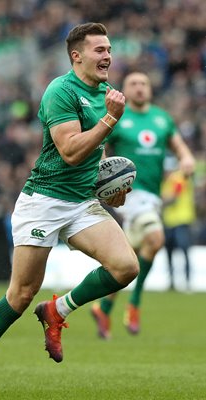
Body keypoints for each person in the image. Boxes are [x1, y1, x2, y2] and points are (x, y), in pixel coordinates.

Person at [0, 23, 140, 395]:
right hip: (43, 201)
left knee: (126, 267)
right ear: (77, 56)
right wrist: (110, 119)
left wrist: (110, 189)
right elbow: (71, 151)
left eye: (109, 49)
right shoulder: (60, 91)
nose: (108, 56)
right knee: (22, 294)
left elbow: (94, 155)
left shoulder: (105, 93)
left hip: (82, 202)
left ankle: (58, 310)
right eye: (99, 50)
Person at [91, 71, 195, 339]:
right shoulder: (117, 116)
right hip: (128, 195)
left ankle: (103, 307)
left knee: (127, 263)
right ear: (124, 90)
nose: (139, 88)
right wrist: (104, 176)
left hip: (153, 196)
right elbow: (100, 144)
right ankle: (135, 304)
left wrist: (185, 159)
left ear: (150, 88)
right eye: (133, 84)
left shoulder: (161, 118)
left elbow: (178, 146)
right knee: (156, 237)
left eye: (144, 84)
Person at [161, 158, 196, 292]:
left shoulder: (177, 178)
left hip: (181, 219)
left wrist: (160, 201)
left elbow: (173, 198)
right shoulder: (170, 180)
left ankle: (184, 281)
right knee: (173, 251)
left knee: (182, 250)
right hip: (171, 220)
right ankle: (174, 282)